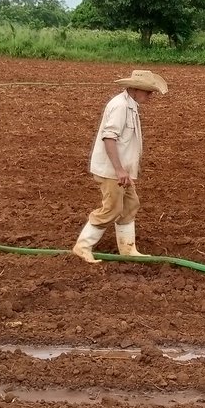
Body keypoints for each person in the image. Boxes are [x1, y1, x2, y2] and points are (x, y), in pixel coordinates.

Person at [72, 68, 169, 263]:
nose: (150, 96)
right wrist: (118, 170)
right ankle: (83, 246)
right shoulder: (120, 106)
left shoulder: (130, 105)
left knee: (130, 205)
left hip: (120, 171)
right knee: (112, 208)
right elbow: (109, 137)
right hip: (112, 171)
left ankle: (127, 248)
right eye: (148, 92)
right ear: (135, 89)